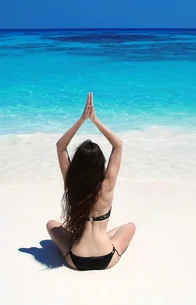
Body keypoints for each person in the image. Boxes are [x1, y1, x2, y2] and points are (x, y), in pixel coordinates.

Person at [46, 93, 136, 271]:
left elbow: (60, 146)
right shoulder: (107, 185)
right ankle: (103, 237)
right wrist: (94, 120)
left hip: (76, 259)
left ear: (77, 164)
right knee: (129, 226)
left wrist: (81, 120)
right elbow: (117, 144)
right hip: (107, 258)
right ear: (101, 164)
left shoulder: (72, 184)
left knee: (51, 225)